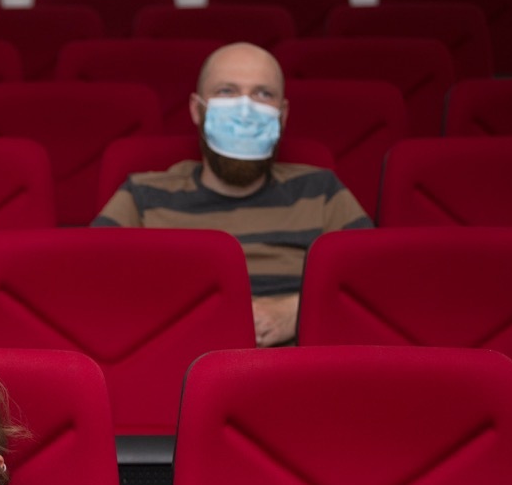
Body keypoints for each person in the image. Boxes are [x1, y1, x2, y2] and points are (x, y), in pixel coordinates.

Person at [92, 41, 372, 347]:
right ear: (196, 109)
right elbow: (90, 287)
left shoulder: (321, 190)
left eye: (263, 94)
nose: (245, 109)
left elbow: (375, 286)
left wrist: (296, 311)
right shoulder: (143, 196)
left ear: (282, 114)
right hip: (180, 359)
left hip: (300, 363)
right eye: (226, 91)